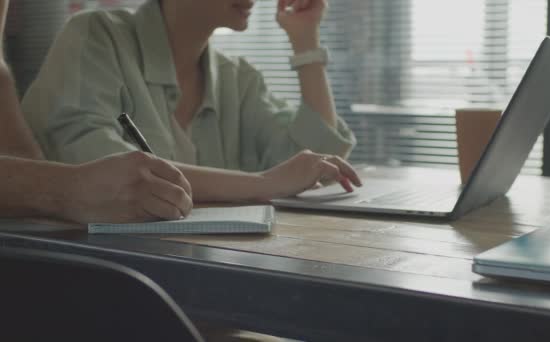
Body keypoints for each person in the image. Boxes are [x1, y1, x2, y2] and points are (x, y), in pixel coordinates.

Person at [0, 0, 361, 223]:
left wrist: (305, 39)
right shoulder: (97, 36)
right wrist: (261, 184)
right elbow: (96, 169)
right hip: (100, 287)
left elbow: (310, 159)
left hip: (203, 281)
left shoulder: (238, 78)